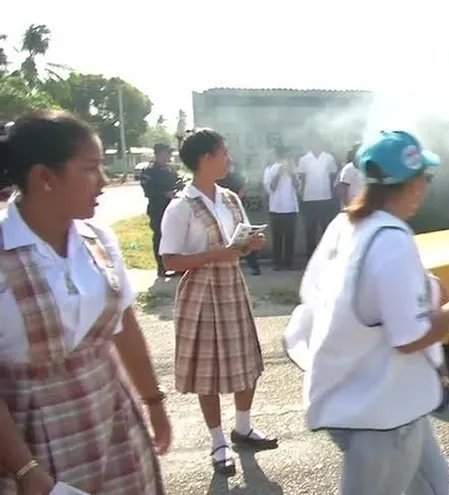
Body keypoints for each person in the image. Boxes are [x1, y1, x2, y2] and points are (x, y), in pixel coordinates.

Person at [284, 130, 449, 495]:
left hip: (377, 399)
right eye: (426, 177)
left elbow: (324, 293)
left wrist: (428, 287)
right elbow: (409, 338)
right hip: (380, 411)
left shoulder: (347, 224)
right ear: (410, 184)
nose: (426, 186)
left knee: (434, 486)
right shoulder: (391, 238)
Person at [0, 110, 170, 493]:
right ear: (45, 177)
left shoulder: (98, 239)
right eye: (91, 168)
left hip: (113, 423)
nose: (104, 181)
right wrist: (26, 469)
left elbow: (124, 328)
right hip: (32, 442)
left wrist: (153, 402)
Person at [158, 129, 276, 476]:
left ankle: (243, 427)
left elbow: (237, 243)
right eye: (223, 152)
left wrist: (249, 245)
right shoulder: (181, 207)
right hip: (201, 291)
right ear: (205, 159)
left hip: (232, 287)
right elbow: (170, 261)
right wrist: (217, 254)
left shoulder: (229, 199)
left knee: (246, 360)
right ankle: (218, 441)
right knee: (206, 370)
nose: (229, 158)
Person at [140, 143, 182, 278]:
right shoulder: (149, 170)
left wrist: (180, 186)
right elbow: (147, 190)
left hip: (173, 208)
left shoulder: (170, 170)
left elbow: (178, 182)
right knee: (159, 237)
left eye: (170, 153)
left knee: (175, 237)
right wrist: (164, 193)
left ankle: (176, 265)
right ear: (159, 154)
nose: (169, 156)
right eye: (167, 153)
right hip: (157, 208)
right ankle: (161, 267)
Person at [216, 160, 261, 275]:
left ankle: (254, 266)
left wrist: (235, 202)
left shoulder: (237, 177)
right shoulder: (218, 177)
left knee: (245, 237)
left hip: (237, 210)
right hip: (222, 211)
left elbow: (242, 191)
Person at [298, 137, 338, 256]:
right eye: (314, 142)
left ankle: (327, 255)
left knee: (326, 227)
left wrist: (332, 194)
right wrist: (301, 195)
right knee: (310, 228)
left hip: (325, 197)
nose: (316, 145)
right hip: (309, 198)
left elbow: (332, 176)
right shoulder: (304, 159)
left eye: (318, 142)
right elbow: (302, 178)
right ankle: (311, 255)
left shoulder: (328, 158)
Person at [262, 147, 299, 271]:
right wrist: (279, 174)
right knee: (277, 237)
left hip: (291, 208)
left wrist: (291, 174)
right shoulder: (269, 170)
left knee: (290, 237)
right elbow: (270, 188)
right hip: (276, 208)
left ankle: (289, 263)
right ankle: (277, 263)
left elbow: (298, 187)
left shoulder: (292, 169)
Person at [336, 141, 363, 208]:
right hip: (351, 208)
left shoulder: (366, 168)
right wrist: (349, 207)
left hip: (362, 207)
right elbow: (343, 190)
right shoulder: (349, 168)